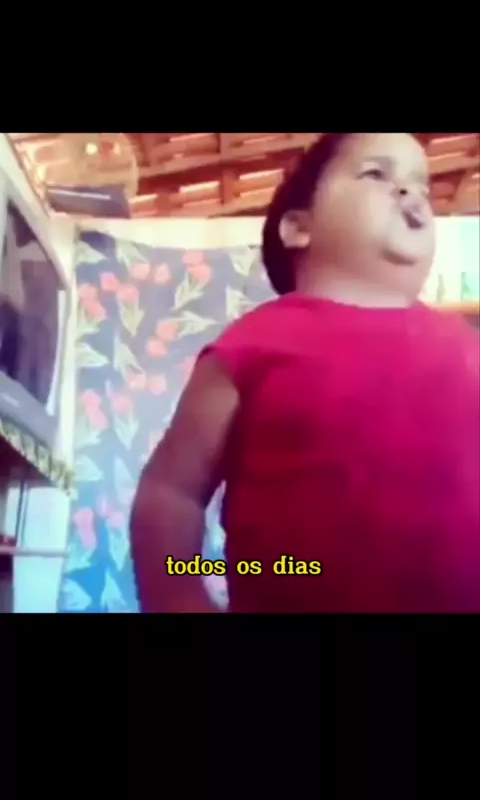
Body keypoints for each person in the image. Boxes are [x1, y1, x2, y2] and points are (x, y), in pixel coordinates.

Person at [130, 133, 480, 613]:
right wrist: (179, 592)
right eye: (377, 173)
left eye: (422, 186)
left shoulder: (469, 347)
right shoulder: (251, 343)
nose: (411, 193)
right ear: (299, 227)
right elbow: (173, 492)